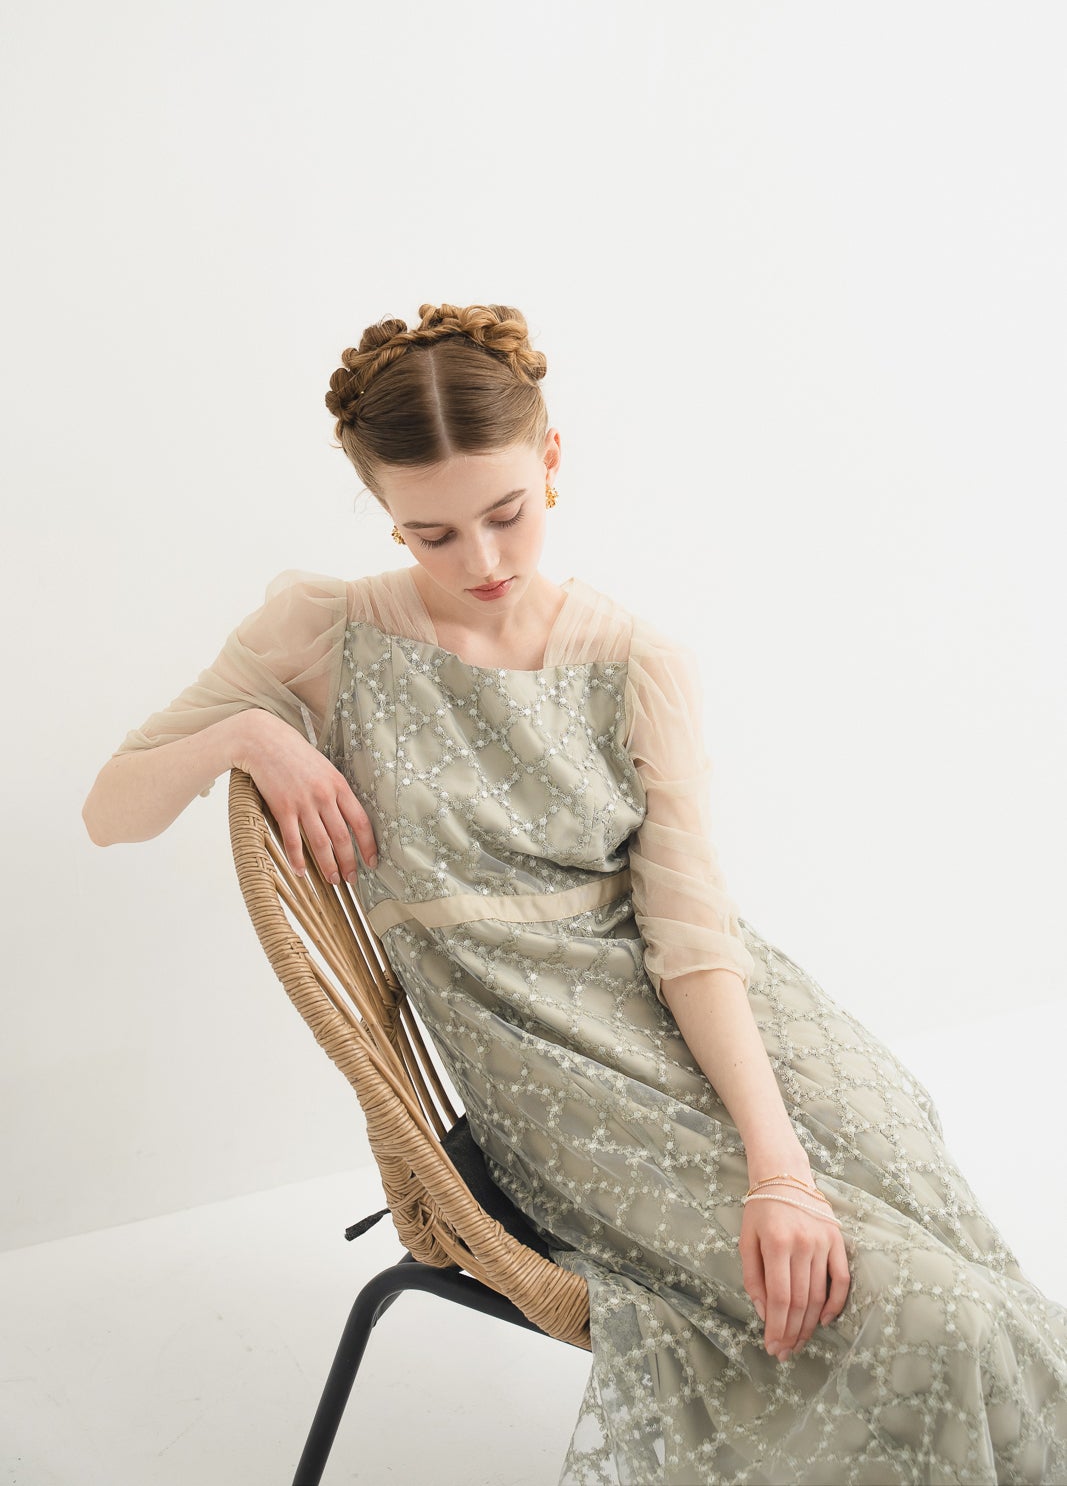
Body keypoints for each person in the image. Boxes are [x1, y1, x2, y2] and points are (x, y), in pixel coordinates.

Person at [83, 302, 1067, 1485]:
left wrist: (778, 1167)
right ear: (384, 514)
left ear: (550, 460)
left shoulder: (637, 661)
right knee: (939, 1317)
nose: (481, 562)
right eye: (431, 533)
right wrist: (249, 734)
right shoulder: (323, 632)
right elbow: (111, 810)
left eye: (507, 512)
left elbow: (689, 935)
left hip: (728, 1021)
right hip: (552, 1070)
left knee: (976, 1278)